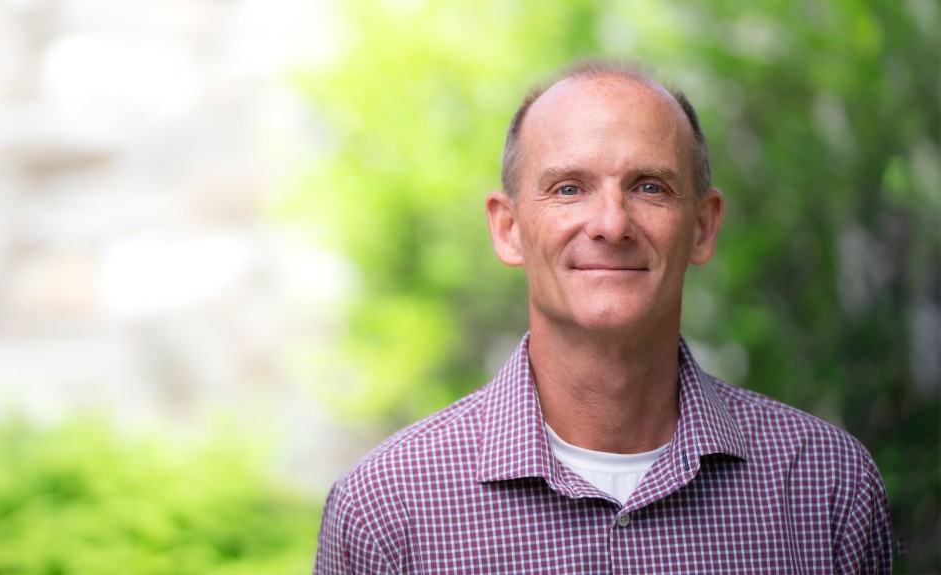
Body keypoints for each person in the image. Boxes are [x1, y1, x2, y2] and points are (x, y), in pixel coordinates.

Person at [313, 60, 893, 574]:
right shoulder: (386, 508)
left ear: (702, 225)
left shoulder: (825, 485)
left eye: (648, 187)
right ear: (508, 229)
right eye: (569, 188)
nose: (611, 225)